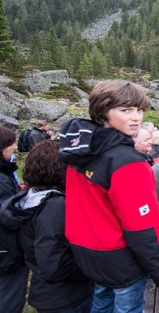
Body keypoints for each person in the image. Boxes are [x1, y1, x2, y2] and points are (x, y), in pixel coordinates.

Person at [58, 80, 159, 311]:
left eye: (139, 110)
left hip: (88, 255)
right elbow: (141, 227)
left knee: (101, 304)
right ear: (102, 113)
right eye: (125, 110)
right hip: (121, 261)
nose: (136, 117)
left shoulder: (80, 151)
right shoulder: (127, 162)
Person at [0, 141, 94, 312]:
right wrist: (90, 269)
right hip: (66, 297)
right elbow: (52, 262)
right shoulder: (54, 206)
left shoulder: (30, 197)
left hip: (48, 291)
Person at [0, 126, 28, 313]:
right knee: (9, 298)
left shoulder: (6, 174)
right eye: (11, 143)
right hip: (6, 251)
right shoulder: (2, 180)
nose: (15, 147)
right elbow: (9, 215)